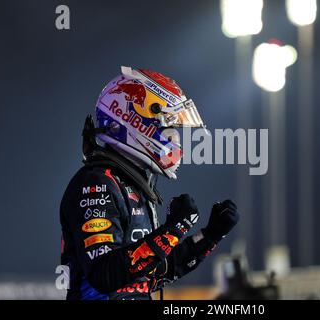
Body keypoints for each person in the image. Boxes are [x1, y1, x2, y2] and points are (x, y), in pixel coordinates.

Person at [60, 66, 240, 300]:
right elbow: (104, 275)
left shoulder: (132, 185)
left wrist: (209, 236)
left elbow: (149, 275)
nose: (174, 139)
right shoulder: (96, 183)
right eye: (168, 127)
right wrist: (173, 229)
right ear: (134, 119)